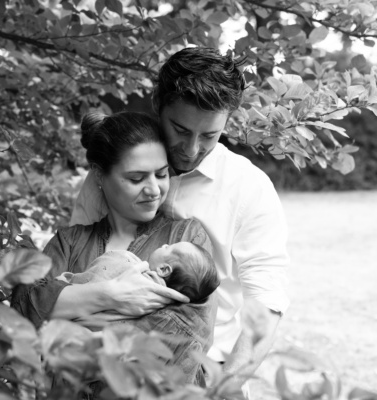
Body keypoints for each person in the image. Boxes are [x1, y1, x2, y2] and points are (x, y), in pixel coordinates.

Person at [70, 47, 290, 391]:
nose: (190, 149)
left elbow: (267, 301)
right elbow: (77, 259)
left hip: (203, 374)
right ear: (158, 103)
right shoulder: (110, 173)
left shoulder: (249, 188)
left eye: (209, 136)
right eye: (180, 129)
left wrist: (225, 389)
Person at [12, 111, 217, 385]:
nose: (154, 190)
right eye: (136, 179)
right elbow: (25, 307)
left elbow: (190, 333)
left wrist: (69, 307)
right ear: (99, 175)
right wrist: (112, 294)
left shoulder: (185, 237)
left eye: (161, 174)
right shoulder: (70, 241)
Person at [56, 242, 219, 306]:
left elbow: (103, 269)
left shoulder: (129, 266)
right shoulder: (161, 306)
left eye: (169, 248)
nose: (165, 244)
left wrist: (67, 281)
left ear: (163, 270)